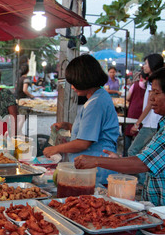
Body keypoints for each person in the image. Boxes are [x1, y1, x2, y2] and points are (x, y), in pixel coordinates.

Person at [75, 66, 165, 219]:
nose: (151, 98)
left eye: (157, 93)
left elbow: (143, 163)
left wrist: (96, 161)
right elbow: (151, 159)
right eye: (151, 92)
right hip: (163, 210)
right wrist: (119, 161)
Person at [43, 54, 119, 186]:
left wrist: (55, 149)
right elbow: (92, 131)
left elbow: (83, 143)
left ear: (85, 80)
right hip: (93, 168)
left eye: (74, 83)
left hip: (97, 170)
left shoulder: (96, 103)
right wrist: (69, 126)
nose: (72, 87)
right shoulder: (98, 97)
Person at [127, 54, 164, 159]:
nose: (144, 66)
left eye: (146, 63)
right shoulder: (155, 80)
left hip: (151, 124)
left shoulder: (154, 82)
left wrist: (137, 124)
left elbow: (149, 104)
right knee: (148, 154)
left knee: (133, 150)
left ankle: (142, 176)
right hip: (154, 123)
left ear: (153, 65)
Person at [123, 70, 148, 155]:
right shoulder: (149, 87)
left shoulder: (135, 85)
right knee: (139, 134)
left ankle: (125, 154)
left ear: (141, 77)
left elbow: (128, 98)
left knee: (128, 132)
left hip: (133, 111)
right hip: (143, 113)